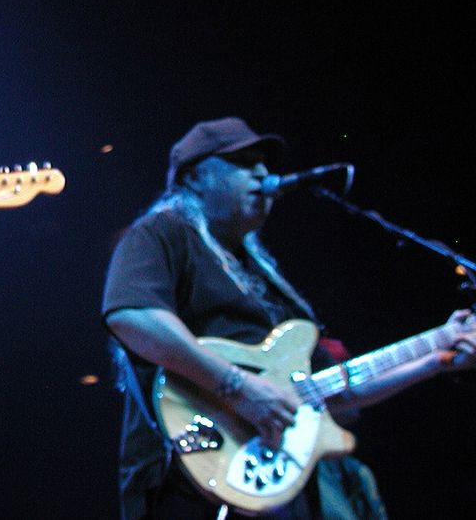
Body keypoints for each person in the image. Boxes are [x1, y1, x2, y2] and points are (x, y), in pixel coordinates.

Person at [100, 116, 476, 519]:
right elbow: (133, 315)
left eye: (264, 162)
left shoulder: (264, 275)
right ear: (195, 178)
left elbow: (335, 391)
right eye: (243, 161)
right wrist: (238, 387)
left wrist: (437, 356)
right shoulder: (162, 233)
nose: (263, 172)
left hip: (274, 478)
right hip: (189, 473)